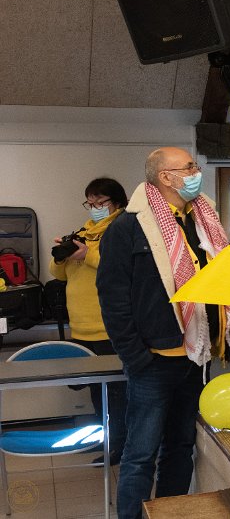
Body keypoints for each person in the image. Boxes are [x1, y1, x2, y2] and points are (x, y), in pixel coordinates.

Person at [96, 147, 230, 519]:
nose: (197, 172)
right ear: (165, 177)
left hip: (194, 358)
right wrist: (136, 357)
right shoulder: (128, 227)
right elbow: (113, 298)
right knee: (140, 455)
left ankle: (170, 514)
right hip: (152, 362)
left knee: (180, 449)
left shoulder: (202, 219)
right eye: (189, 167)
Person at [49, 177, 128, 465]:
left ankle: (121, 446)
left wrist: (87, 254)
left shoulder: (123, 229)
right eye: (90, 202)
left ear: (116, 203)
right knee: (96, 390)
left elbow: (122, 266)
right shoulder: (83, 232)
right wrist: (63, 255)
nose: (94, 207)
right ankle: (101, 441)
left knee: (117, 393)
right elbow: (58, 274)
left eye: (100, 202)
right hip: (81, 327)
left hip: (109, 327)